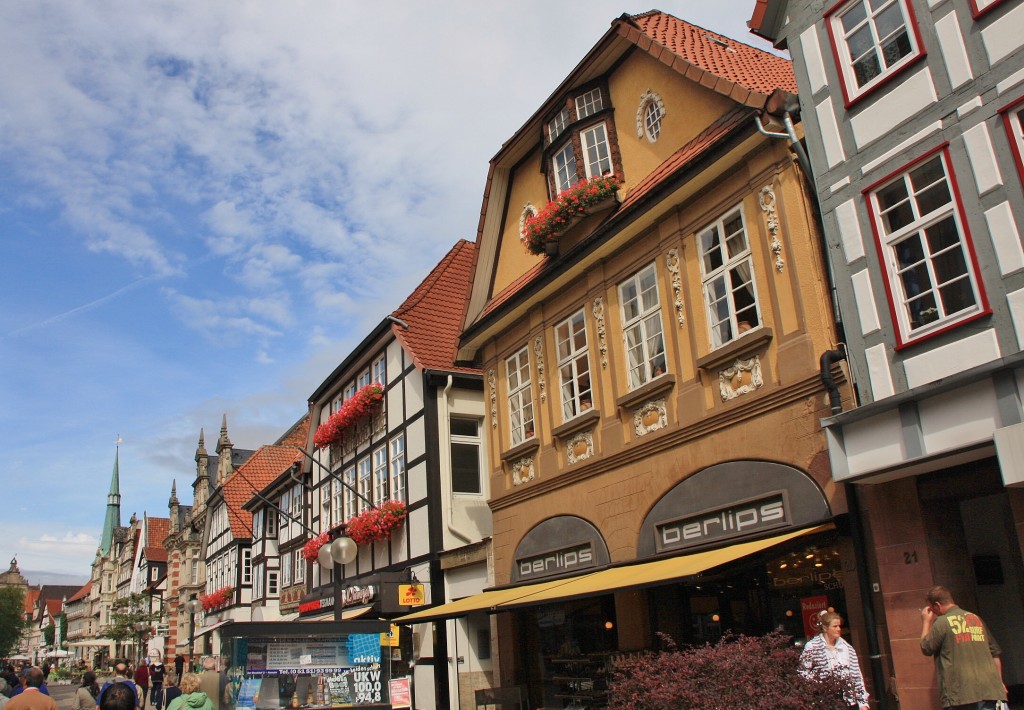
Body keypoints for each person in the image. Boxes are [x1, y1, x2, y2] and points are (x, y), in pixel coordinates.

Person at [920, 585, 1007, 709]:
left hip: (960, 694)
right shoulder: (976, 619)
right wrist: (999, 682)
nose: (933, 613)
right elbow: (994, 653)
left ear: (937, 605)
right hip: (989, 690)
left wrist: (925, 622)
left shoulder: (942, 622)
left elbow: (926, 647)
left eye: (932, 609)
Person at [799, 610, 870, 710]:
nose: (838, 629)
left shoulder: (847, 648)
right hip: (824, 700)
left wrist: (863, 703)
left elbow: (856, 675)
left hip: (847, 700)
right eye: (835, 626)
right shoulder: (813, 646)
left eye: (839, 626)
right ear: (825, 628)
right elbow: (803, 672)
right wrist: (819, 683)